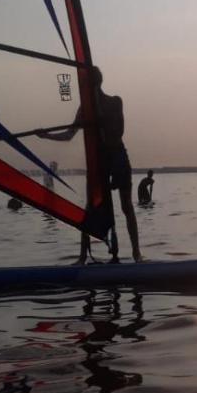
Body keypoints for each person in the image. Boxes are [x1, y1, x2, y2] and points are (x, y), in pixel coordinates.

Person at [39, 67, 142, 263]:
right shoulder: (84, 110)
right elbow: (69, 135)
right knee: (90, 207)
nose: (81, 88)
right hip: (99, 161)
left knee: (126, 206)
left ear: (94, 83)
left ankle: (137, 254)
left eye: (84, 84)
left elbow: (118, 132)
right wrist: (46, 135)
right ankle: (82, 257)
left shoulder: (115, 102)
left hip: (118, 157)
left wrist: (98, 120)